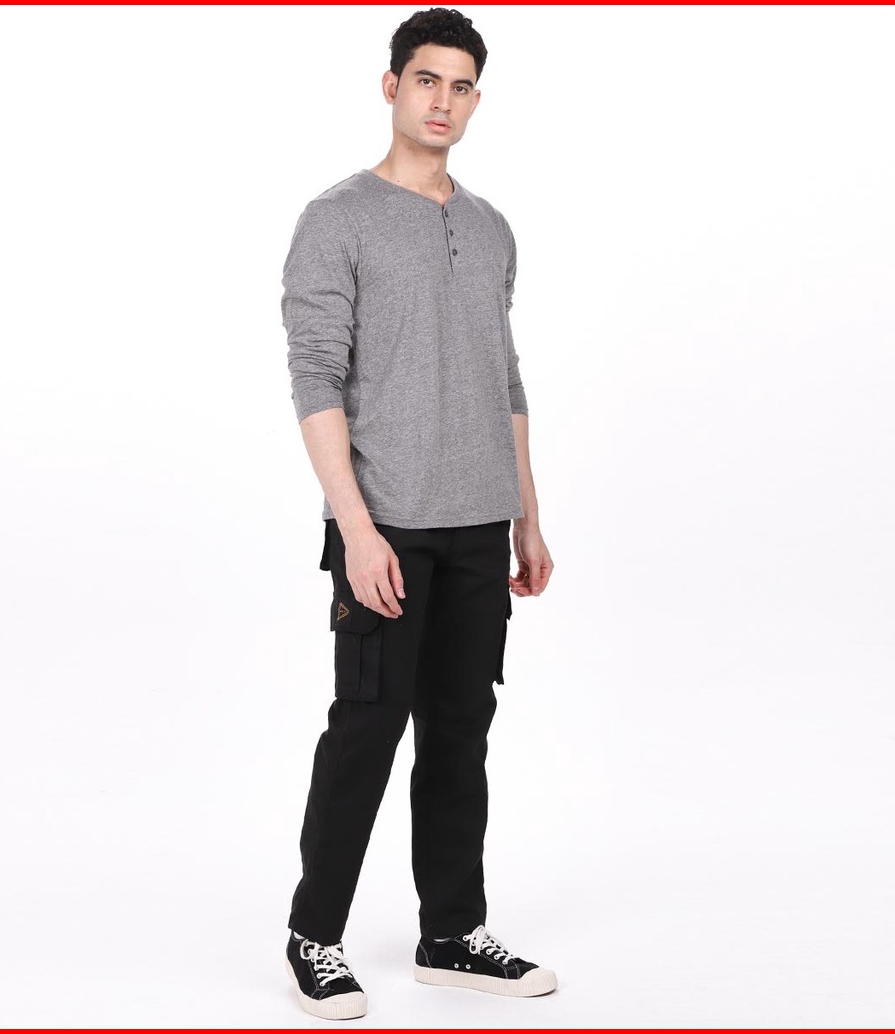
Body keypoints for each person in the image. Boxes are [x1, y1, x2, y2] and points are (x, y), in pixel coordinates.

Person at [280, 7, 556, 1020]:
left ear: (477, 100)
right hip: (385, 522)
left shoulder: (489, 228)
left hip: (480, 523)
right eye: (427, 79)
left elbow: (504, 377)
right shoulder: (336, 219)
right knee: (365, 728)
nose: (443, 100)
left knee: (460, 731)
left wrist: (526, 515)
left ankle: (450, 932)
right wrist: (354, 529)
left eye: (461, 85)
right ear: (390, 85)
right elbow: (316, 380)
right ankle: (314, 933)